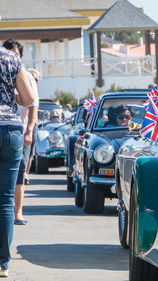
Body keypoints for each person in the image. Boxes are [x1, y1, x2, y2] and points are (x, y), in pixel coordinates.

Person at [0, 39, 36, 278]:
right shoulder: (12, 58)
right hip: (11, 131)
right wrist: (14, 98)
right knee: (5, 200)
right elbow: (29, 98)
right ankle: (3, 263)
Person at [3, 40, 40, 226]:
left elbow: (32, 105)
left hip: (20, 130)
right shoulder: (9, 66)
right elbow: (29, 100)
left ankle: (18, 213)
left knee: (18, 177)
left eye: (15, 52)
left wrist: (29, 131)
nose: (11, 54)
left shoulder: (24, 73)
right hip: (11, 129)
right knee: (7, 189)